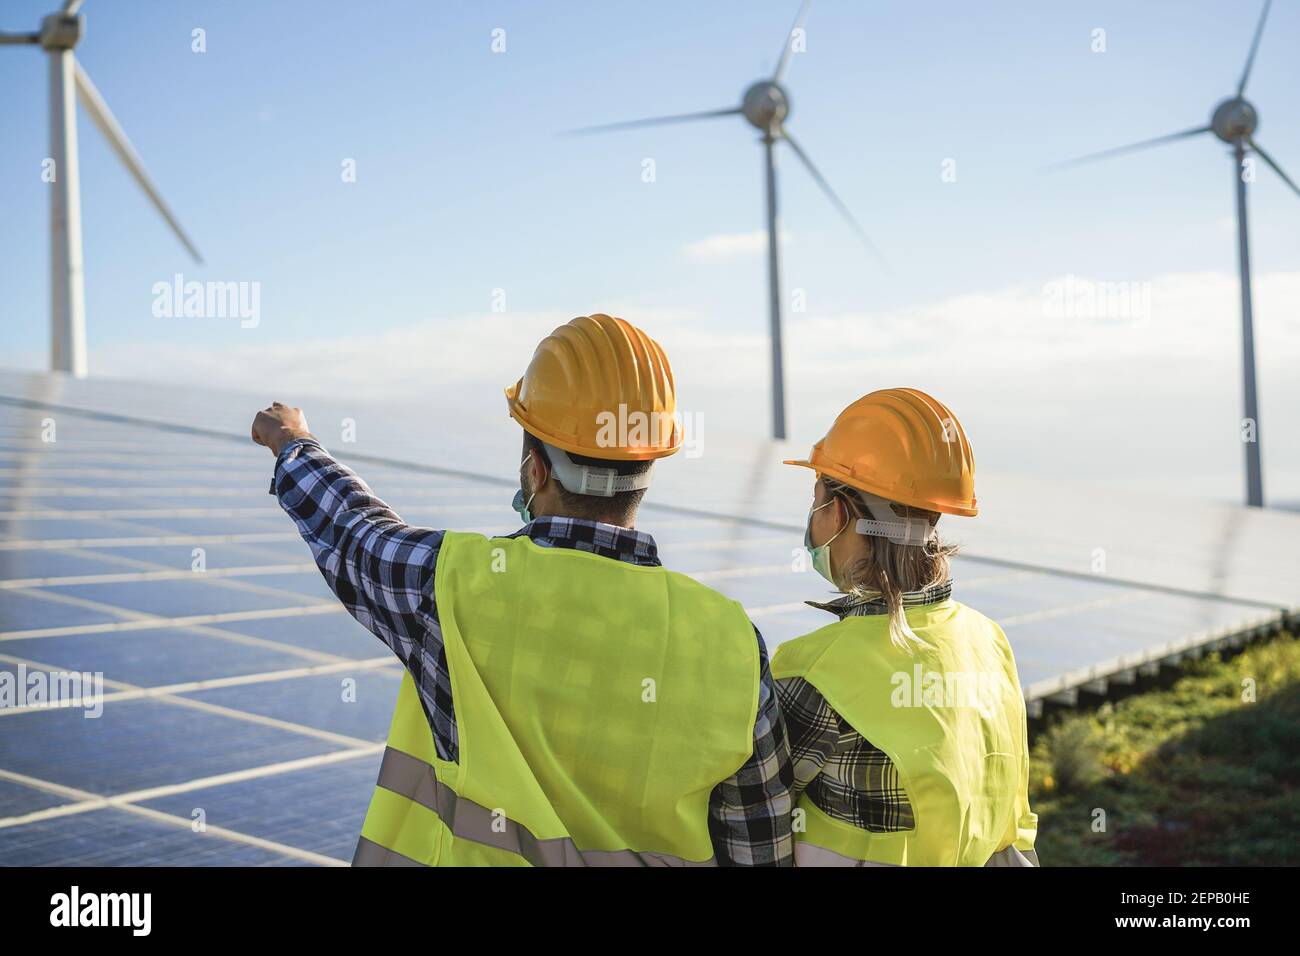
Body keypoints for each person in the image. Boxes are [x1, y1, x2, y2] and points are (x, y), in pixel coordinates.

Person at [250, 313, 794, 866]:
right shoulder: (733, 643)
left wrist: (294, 444)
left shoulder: (453, 587)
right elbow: (760, 849)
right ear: (649, 466)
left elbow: (355, 532)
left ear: (535, 469)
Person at [772, 387, 1038, 866]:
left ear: (838, 511)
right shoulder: (989, 640)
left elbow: (749, 813)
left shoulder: (813, 669)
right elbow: (1016, 827)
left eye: (817, 495)